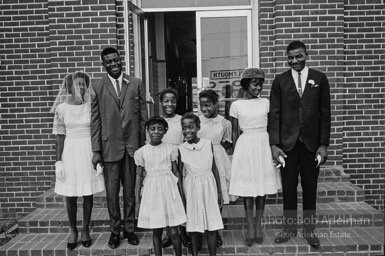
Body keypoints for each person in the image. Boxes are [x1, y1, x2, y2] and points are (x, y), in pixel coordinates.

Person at [269, 41, 331, 248]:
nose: (294, 61)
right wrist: (274, 145)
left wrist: (324, 144)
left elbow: (325, 113)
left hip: (311, 144)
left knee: (310, 187)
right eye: (290, 57)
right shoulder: (280, 80)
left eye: (299, 56)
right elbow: (275, 114)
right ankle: (289, 228)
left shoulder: (319, 79)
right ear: (287, 58)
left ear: (306, 55)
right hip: (287, 144)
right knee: (288, 187)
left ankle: (309, 230)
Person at [91, 47, 147, 249]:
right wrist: (96, 150)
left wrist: (142, 147)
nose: (114, 64)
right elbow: (95, 120)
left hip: (132, 147)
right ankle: (115, 231)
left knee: (131, 192)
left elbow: (142, 117)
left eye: (116, 60)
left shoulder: (136, 83)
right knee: (112, 193)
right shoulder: (97, 86)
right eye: (109, 62)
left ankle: (130, 229)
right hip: (109, 148)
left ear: (120, 60)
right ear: (103, 64)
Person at [51, 71, 105, 250]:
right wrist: (58, 161)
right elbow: (60, 136)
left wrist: (98, 154)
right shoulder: (61, 109)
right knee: (71, 195)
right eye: (77, 83)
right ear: (69, 86)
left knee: (87, 193)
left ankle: (85, 230)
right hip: (70, 150)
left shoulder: (91, 106)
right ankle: (73, 230)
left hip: (88, 150)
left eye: (83, 84)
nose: (80, 87)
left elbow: (97, 130)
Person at [229, 67, 281, 246]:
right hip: (246, 147)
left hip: (263, 146)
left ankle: (258, 225)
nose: (258, 88)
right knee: (248, 190)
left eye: (260, 85)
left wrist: (274, 148)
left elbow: (273, 127)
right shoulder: (236, 105)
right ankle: (250, 226)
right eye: (255, 84)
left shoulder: (266, 103)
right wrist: (236, 154)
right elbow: (235, 131)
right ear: (245, 85)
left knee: (261, 189)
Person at [134, 116, 187, 256]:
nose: (156, 132)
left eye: (160, 129)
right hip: (152, 192)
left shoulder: (170, 149)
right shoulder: (141, 152)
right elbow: (139, 177)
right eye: (152, 129)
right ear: (147, 131)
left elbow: (176, 172)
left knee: (174, 230)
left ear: (165, 131)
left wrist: (181, 195)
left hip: (169, 190)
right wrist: (137, 201)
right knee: (156, 230)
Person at [179, 113, 224, 256]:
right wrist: (182, 196)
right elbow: (180, 175)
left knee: (212, 224)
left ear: (198, 127)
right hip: (191, 187)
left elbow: (214, 168)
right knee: (193, 224)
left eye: (191, 127)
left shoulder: (207, 143)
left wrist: (219, 192)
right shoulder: (181, 148)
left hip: (209, 185)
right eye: (184, 128)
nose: (187, 131)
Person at [198, 89, 233, 247]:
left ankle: (216, 231)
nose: (205, 109)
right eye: (202, 106)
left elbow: (228, 141)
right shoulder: (197, 121)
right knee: (202, 195)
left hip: (218, 159)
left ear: (215, 104)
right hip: (200, 159)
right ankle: (202, 229)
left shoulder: (225, 122)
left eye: (208, 105)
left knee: (217, 197)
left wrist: (217, 148)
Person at [157, 88, 191, 249]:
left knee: (181, 197)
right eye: (166, 100)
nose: (169, 104)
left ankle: (183, 230)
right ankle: (168, 233)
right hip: (162, 166)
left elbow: (186, 143)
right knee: (166, 199)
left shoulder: (181, 120)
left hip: (179, 163)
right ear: (161, 102)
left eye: (172, 100)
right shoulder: (156, 122)